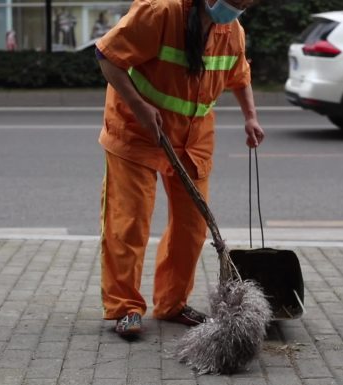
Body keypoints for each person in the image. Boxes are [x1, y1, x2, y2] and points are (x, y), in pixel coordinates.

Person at [95, 0, 264, 336]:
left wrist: (250, 117)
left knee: (191, 227)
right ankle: (124, 307)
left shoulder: (232, 31)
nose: (238, 9)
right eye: (235, 2)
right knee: (129, 221)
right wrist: (140, 107)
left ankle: (172, 303)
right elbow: (107, 57)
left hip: (193, 138)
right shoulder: (160, 12)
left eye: (245, 4)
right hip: (137, 129)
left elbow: (239, 75)